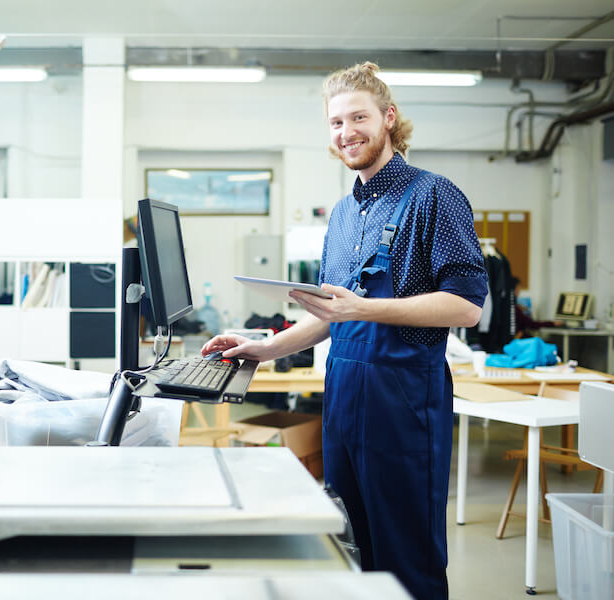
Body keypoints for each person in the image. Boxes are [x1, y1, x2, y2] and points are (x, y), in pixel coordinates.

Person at [202, 62, 488, 600]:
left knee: (408, 555)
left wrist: (366, 310)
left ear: (388, 118)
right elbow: (331, 313)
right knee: (351, 544)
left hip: (405, 401)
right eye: (335, 123)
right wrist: (264, 348)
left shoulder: (433, 196)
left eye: (358, 117)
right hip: (343, 400)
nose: (346, 132)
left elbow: (466, 307)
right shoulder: (341, 214)